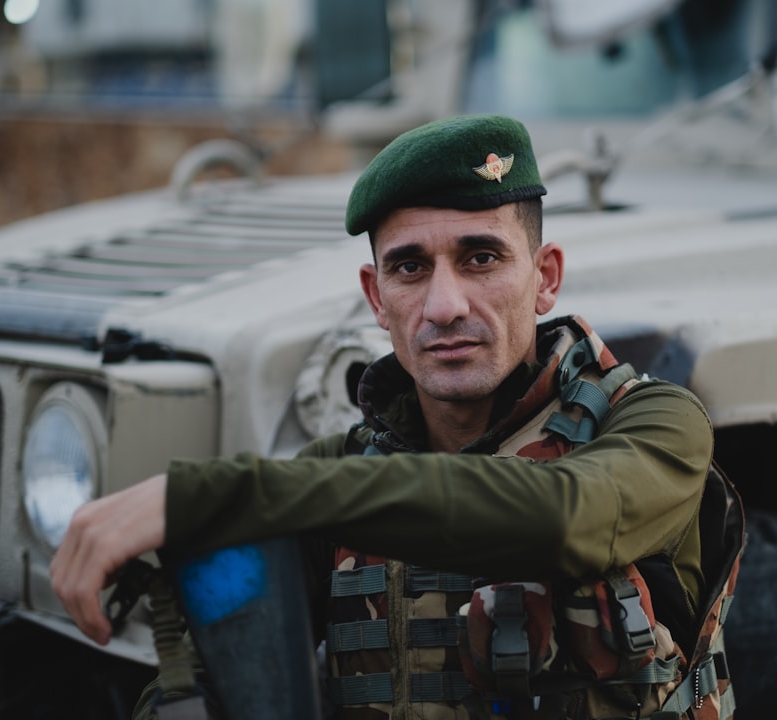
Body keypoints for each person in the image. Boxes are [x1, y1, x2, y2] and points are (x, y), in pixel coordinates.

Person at [50, 114, 742, 720]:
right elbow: (221, 657)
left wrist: (209, 498)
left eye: (481, 257)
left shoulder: (655, 425)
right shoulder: (341, 473)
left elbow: (567, 518)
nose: (444, 306)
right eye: (409, 269)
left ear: (547, 277)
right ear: (377, 299)